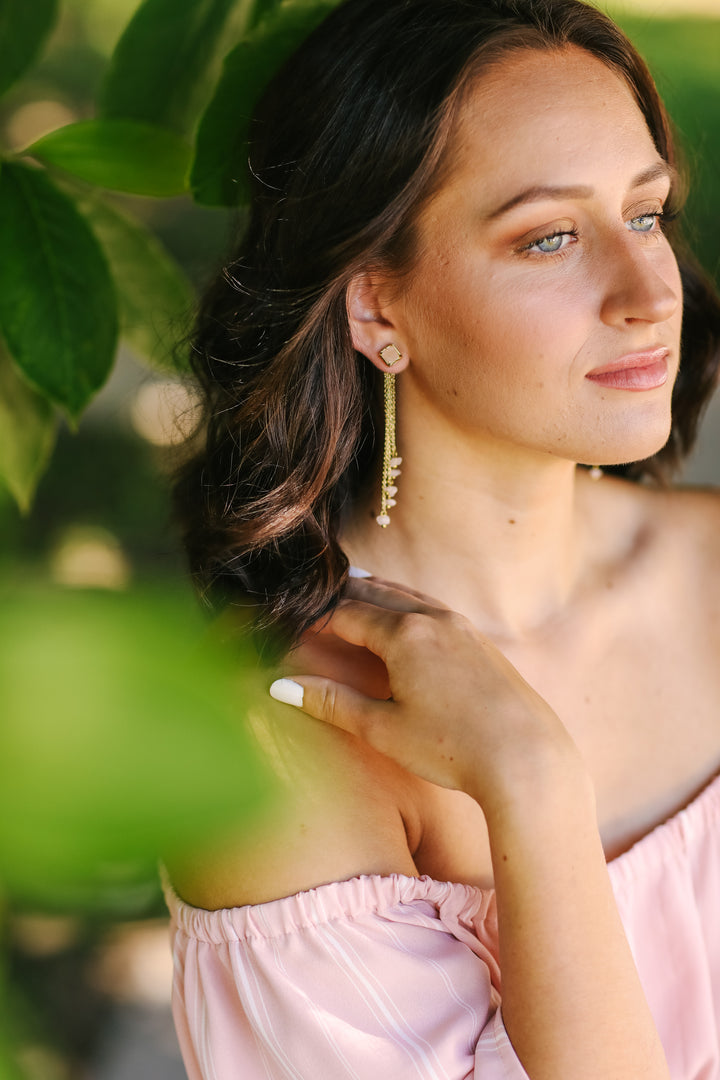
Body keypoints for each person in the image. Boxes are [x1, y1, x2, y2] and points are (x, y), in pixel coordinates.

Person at [165, 0, 720, 1076]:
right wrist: (530, 782)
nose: (650, 293)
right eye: (550, 237)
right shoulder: (281, 754)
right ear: (377, 309)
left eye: (646, 214)